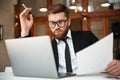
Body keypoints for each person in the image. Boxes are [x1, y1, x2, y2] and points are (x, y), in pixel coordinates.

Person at [19, 4, 120, 76]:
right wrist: (25, 30)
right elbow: (26, 65)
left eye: (60, 22)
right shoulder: (46, 48)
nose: (56, 27)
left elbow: (107, 60)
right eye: (52, 23)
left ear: (68, 22)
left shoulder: (87, 37)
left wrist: (117, 65)